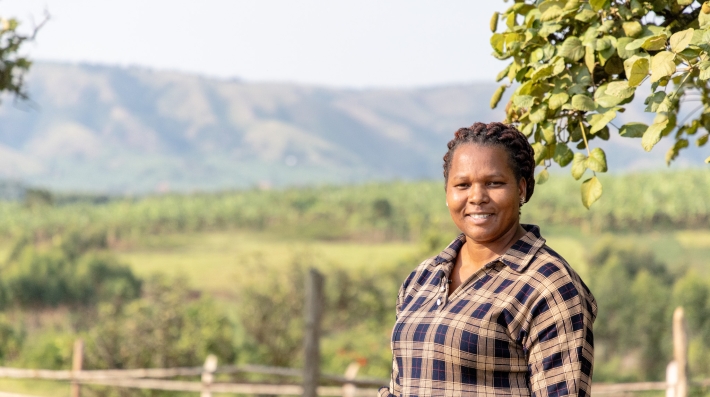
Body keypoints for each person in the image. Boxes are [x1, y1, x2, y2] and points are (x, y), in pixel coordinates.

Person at [378, 122, 597, 397]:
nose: (477, 197)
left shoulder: (549, 286)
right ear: (447, 193)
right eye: (462, 184)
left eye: (494, 183)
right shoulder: (423, 278)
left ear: (521, 189)